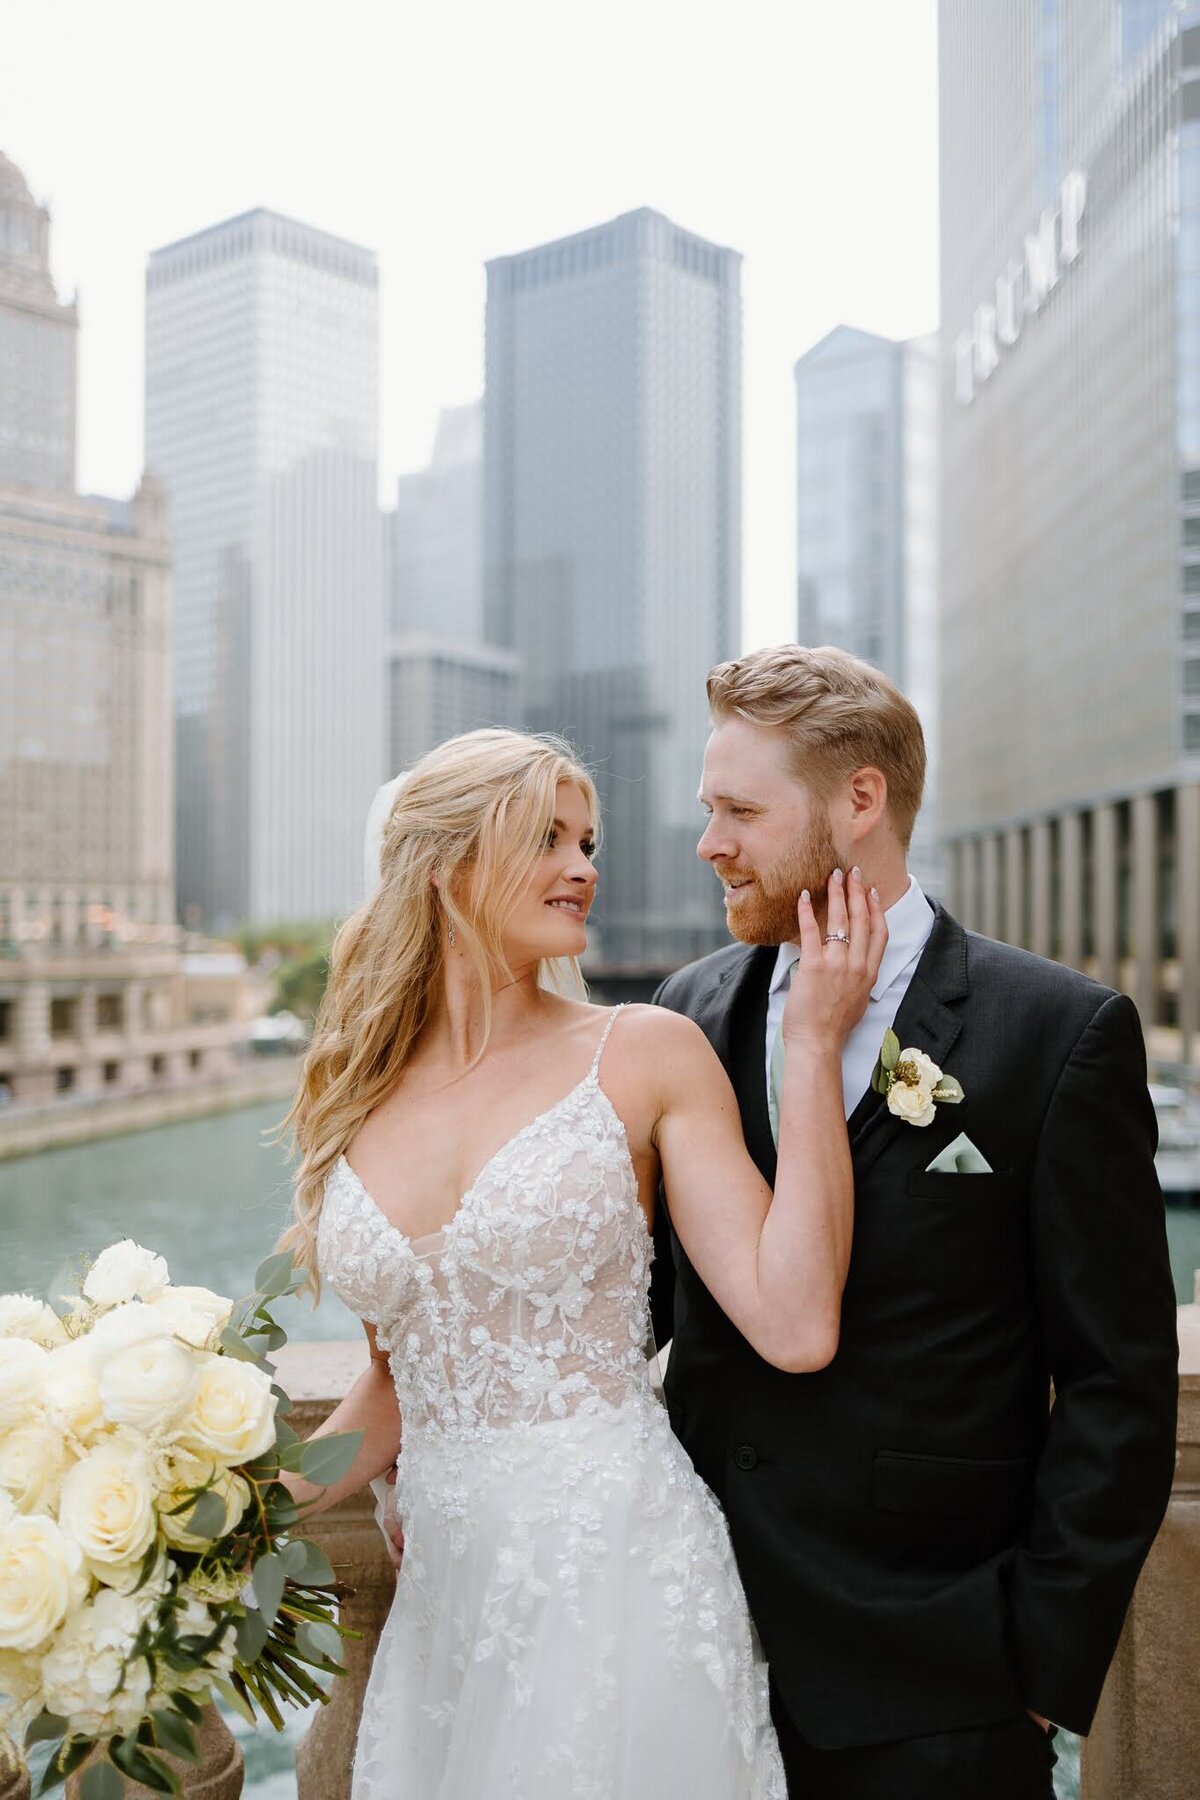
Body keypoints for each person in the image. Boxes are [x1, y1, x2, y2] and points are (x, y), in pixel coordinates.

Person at [276, 725, 887, 1800]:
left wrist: (810, 1042)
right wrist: (226, 1521)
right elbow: (396, 1385)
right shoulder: (354, 1091)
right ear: (444, 860)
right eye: (547, 838)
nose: (584, 867)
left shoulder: (644, 1052)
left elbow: (795, 1325)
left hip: (614, 1571)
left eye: (587, 840)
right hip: (445, 1607)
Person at [648, 643, 1180, 1800]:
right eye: (708, 810)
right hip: (683, 1658)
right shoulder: (683, 1017)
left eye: (740, 810)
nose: (709, 844)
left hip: (938, 1684)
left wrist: (1037, 1670)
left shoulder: (1058, 1033)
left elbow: (1118, 1384)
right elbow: (632, 1309)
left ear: (861, 801)